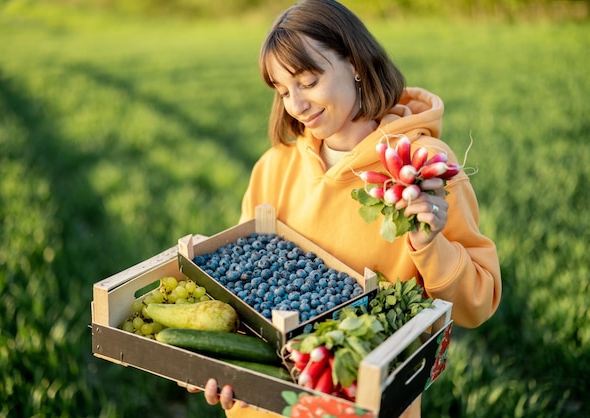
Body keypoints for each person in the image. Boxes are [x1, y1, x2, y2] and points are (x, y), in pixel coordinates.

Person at [195, 0, 502, 417]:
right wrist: (226, 369)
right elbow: (244, 290)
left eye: (308, 80)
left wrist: (429, 243)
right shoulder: (273, 168)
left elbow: (477, 303)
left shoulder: (424, 169)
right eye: (283, 91)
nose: (296, 105)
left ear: (355, 63)